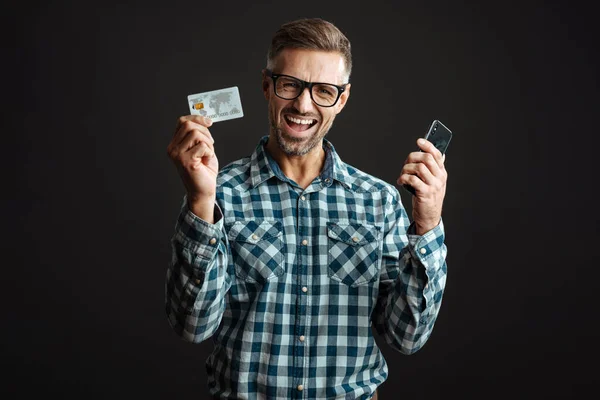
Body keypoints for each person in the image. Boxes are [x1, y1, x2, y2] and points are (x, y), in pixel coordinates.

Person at [165, 17, 448, 400]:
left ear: (342, 99)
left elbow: (407, 337)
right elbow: (192, 326)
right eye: (290, 85)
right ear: (267, 86)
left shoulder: (378, 201)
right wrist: (200, 202)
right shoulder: (219, 195)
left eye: (323, 91)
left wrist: (428, 225)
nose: (303, 104)